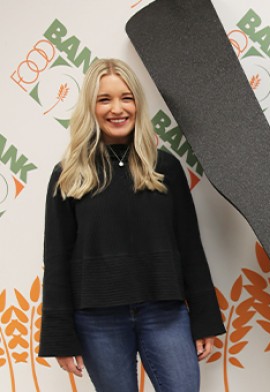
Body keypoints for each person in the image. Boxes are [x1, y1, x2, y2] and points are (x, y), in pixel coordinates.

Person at [39, 58, 225, 392]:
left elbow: (190, 246)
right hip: (97, 320)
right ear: (90, 108)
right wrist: (60, 335)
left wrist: (204, 319)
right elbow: (56, 259)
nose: (117, 108)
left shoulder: (164, 166)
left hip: (165, 313)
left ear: (138, 103)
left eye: (126, 97)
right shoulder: (68, 175)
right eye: (104, 99)